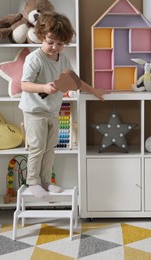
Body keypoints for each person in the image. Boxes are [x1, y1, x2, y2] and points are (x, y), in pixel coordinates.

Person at [19, 11, 108, 198]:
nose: (54, 47)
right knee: (37, 147)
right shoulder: (34, 59)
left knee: (50, 147)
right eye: (50, 42)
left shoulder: (63, 59)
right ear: (41, 37)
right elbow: (24, 84)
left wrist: (93, 91)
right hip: (34, 111)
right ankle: (32, 182)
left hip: (52, 111)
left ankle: (45, 181)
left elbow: (75, 81)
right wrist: (43, 86)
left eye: (60, 44)